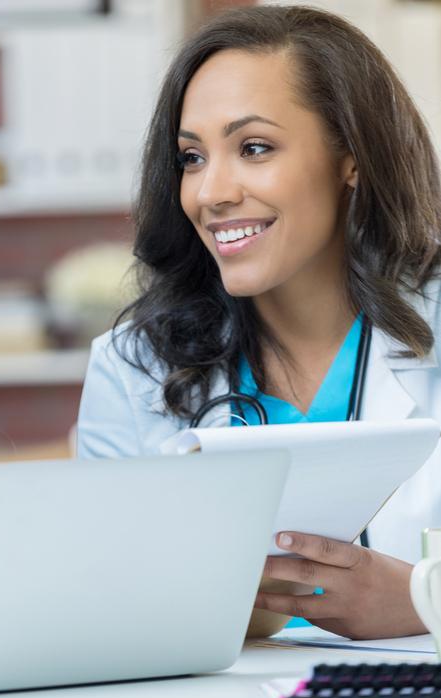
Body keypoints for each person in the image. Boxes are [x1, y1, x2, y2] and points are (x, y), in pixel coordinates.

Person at [78, 5, 441, 640]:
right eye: (191, 157)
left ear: (350, 157)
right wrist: (206, 606)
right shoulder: (133, 366)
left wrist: (420, 599)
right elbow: (98, 602)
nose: (211, 192)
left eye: (254, 148)